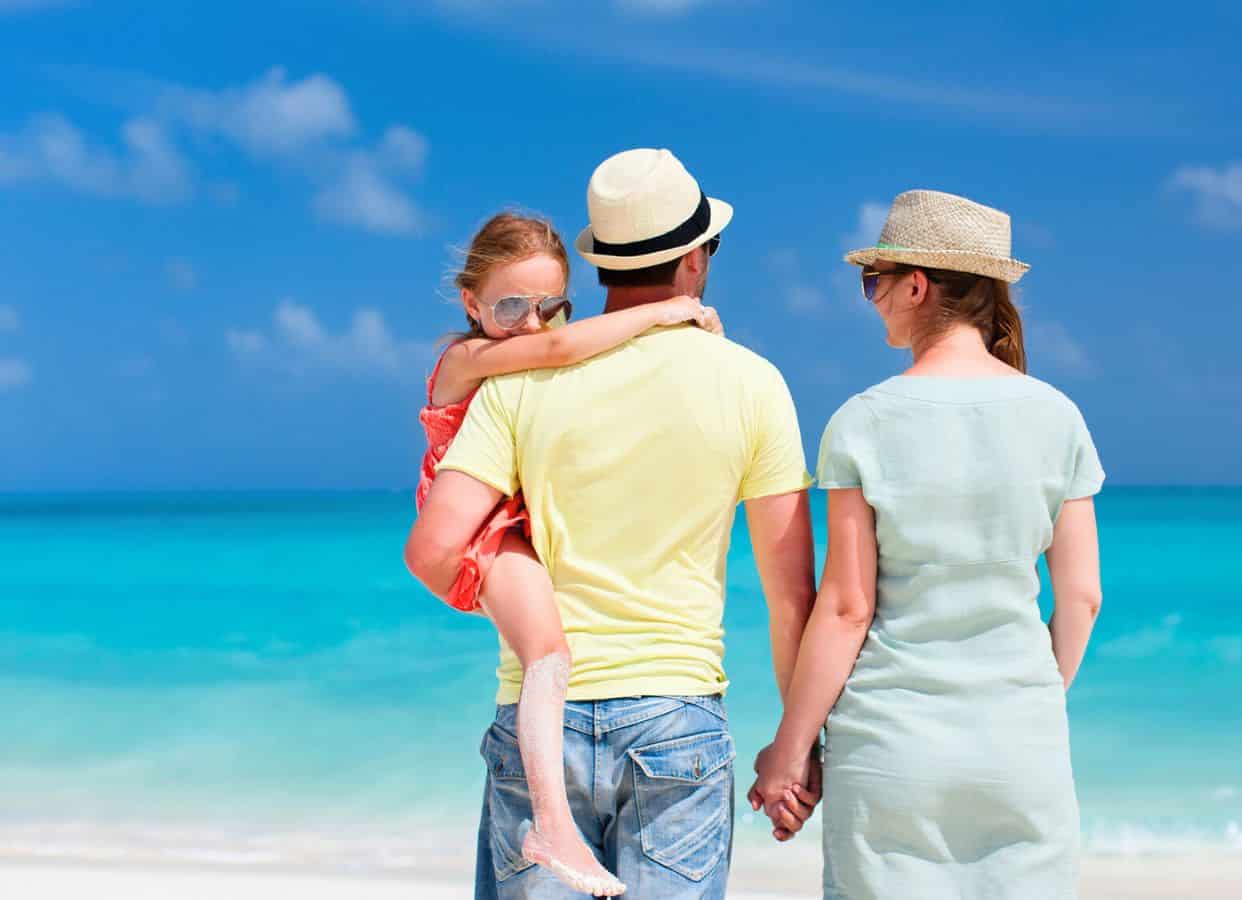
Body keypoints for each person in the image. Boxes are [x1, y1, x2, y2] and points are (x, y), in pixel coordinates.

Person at [405, 149, 822, 899]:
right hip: (676, 717)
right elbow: (792, 598)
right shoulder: (754, 385)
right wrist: (796, 749)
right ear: (695, 260)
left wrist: (489, 584)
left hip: (539, 721)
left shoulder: (518, 380)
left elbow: (436, 547)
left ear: (598, 268)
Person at [751, 190, 1106, 899]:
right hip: (1019, 744)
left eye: (873, 280)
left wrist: (790, 751)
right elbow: (1081, 598)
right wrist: (1030, 698)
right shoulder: (1058, 416)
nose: (871, 298)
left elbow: (848, 608)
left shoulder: (863, 422)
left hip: (892, 745)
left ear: (916, 285)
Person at [412, 210, 721, 896]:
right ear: (471, 302)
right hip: (482, 528)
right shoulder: (466, 358)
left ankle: (553, 822)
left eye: (550, 306)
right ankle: (552, 824)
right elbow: (558, 352)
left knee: (544, 655)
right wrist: (667, 311)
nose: (529, 323)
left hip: (506, 521)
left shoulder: (517, 357)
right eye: (511, 305)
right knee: (548, 657)